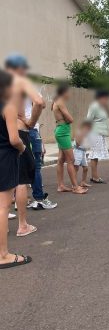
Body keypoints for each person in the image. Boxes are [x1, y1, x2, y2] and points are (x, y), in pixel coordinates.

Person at [6, 54, 44, 236]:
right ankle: (22, 225)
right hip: (19, 131)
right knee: (21, 180)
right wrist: (30, 121)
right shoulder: (20, 82)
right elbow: (39, 102)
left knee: (4, 180)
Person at [0, 69, 32, 268]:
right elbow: (14, 138)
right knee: (3, 206)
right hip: (5, 157)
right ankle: (3, 255)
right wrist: (21, 148)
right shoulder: (8, 107)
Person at [52, 84, 87, 195]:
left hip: (61, 130)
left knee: (61, 159)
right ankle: (75, 187)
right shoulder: (60, 102)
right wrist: (68, 120)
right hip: (63, 132)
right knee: (71, 160)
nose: (69, 94)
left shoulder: (56, 101)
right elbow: (70, 119)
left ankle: (61, 185)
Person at [26, 96, 57, 210]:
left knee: (19, 169)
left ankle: (20, 200)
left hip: (16, 130)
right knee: (36, 167)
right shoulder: (25, 86)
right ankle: (39, 199)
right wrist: (31, 123)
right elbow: (41, 103)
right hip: (30, 129)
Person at [87, 90, 109, 184]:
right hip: (95, 133)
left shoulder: (102, 107)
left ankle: (94, 176)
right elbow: (88, 120)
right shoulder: (94, 106)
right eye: (106, 98)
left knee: (96, 156)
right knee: (94, 155)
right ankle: (95, 177)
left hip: (100, 134)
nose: (107, 100)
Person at [73, 120, 93, 188]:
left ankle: (83, 182)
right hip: (77, 151)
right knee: (76, 168)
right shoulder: (79, 133)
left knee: (85, 168)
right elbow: (78, 143)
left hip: (83, 152)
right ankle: (74, 184)